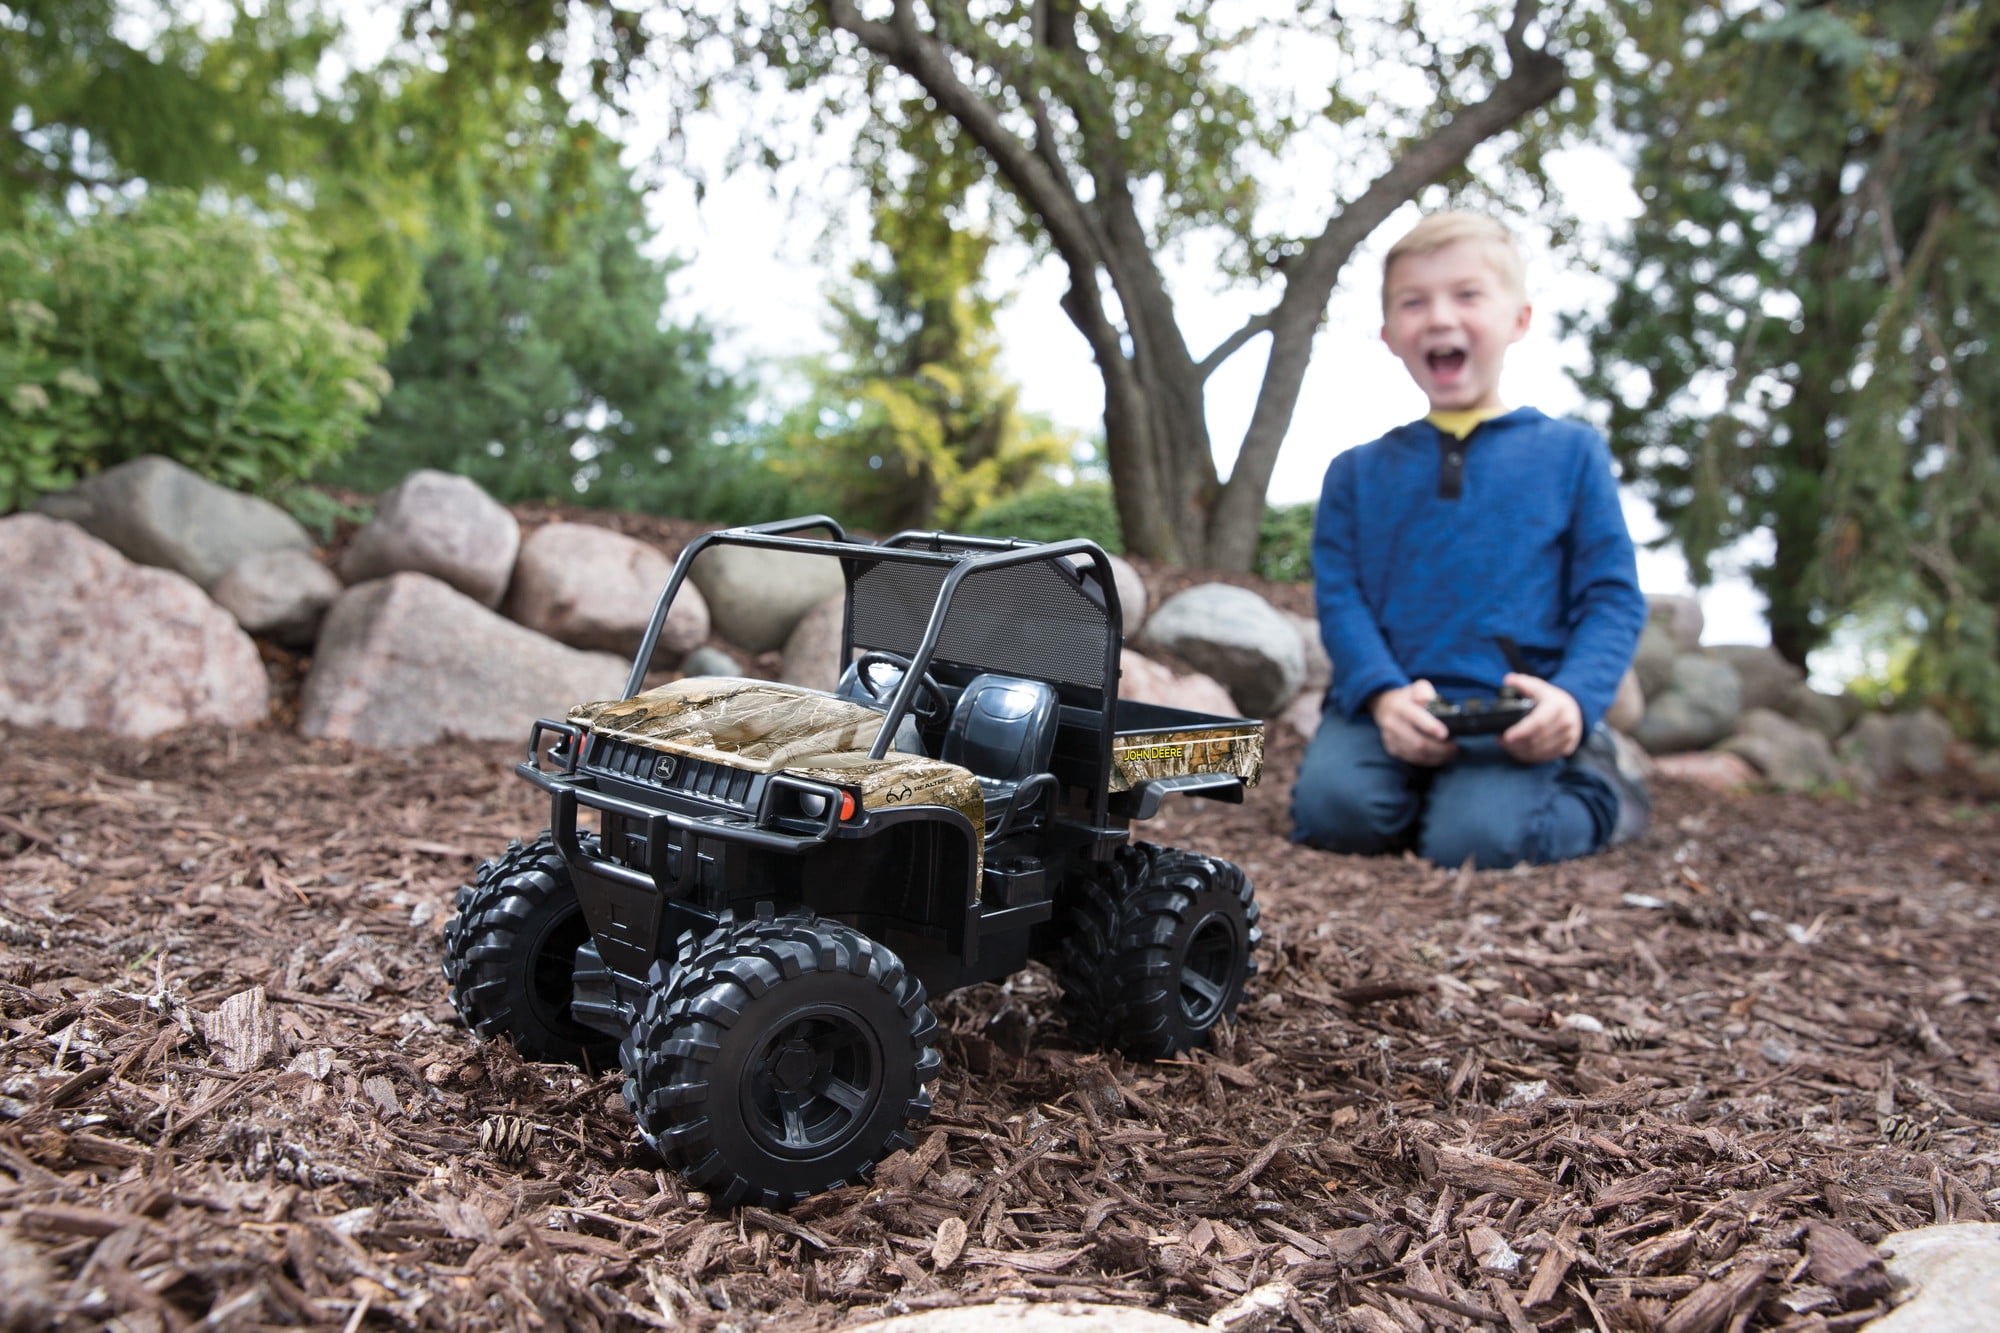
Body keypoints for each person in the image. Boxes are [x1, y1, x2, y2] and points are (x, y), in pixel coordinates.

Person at [1289, 212, 1650, 868]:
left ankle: (1602, 789)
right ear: (1388, 334)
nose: (1439, 317)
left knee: (1476, 842)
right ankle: (1432, 792)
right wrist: (1382, 694)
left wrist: (1573, 699)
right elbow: (1341, 600)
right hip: (1391, 705)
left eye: (1467, 294)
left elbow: (1612, 597)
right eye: (1413, 302)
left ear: (1519, 320)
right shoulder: (1355, 473)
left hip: (1512, 711)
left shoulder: (1571, 454)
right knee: (1332, 814)